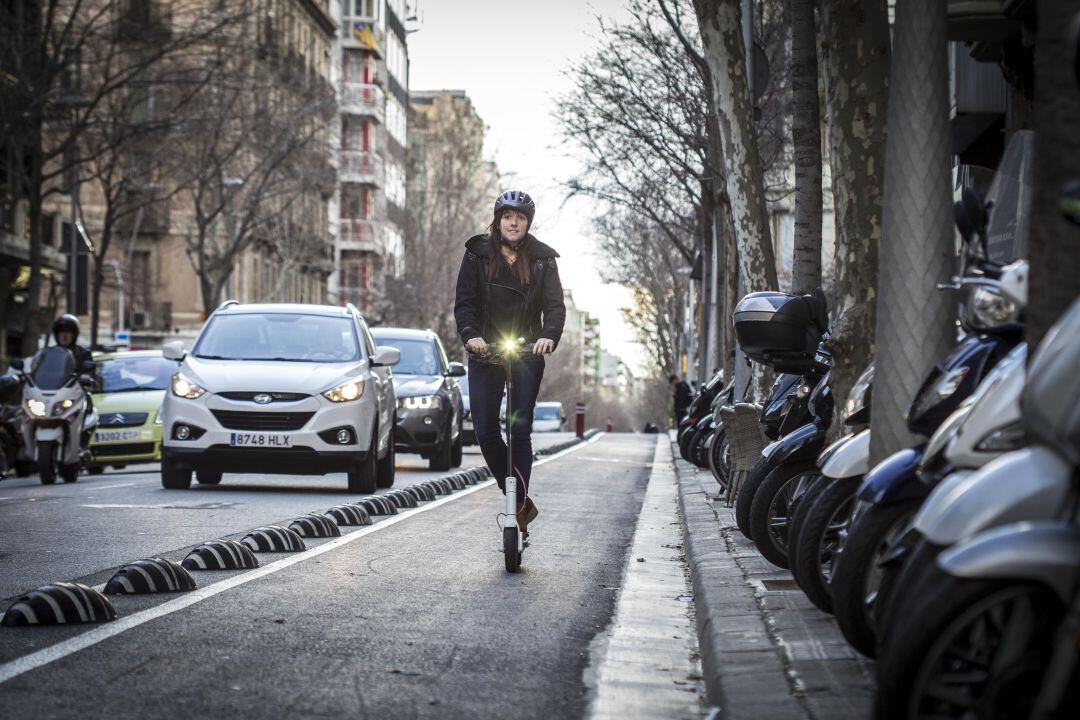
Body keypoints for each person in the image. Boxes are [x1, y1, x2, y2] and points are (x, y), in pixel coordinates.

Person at [454, 190, 565, 537]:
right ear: (498, 220)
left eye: (519, 217)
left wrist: (549, 336)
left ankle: (517, 502)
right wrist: (471, 334)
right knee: (486, 427)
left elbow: (556, 306)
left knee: (519, 430)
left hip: (527, 351)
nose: (513, 222)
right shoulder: (477, 254)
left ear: (528, 222)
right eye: (507, 216)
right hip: (485, 350)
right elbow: (464, 303)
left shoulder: (544, 260)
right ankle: (516, 500)